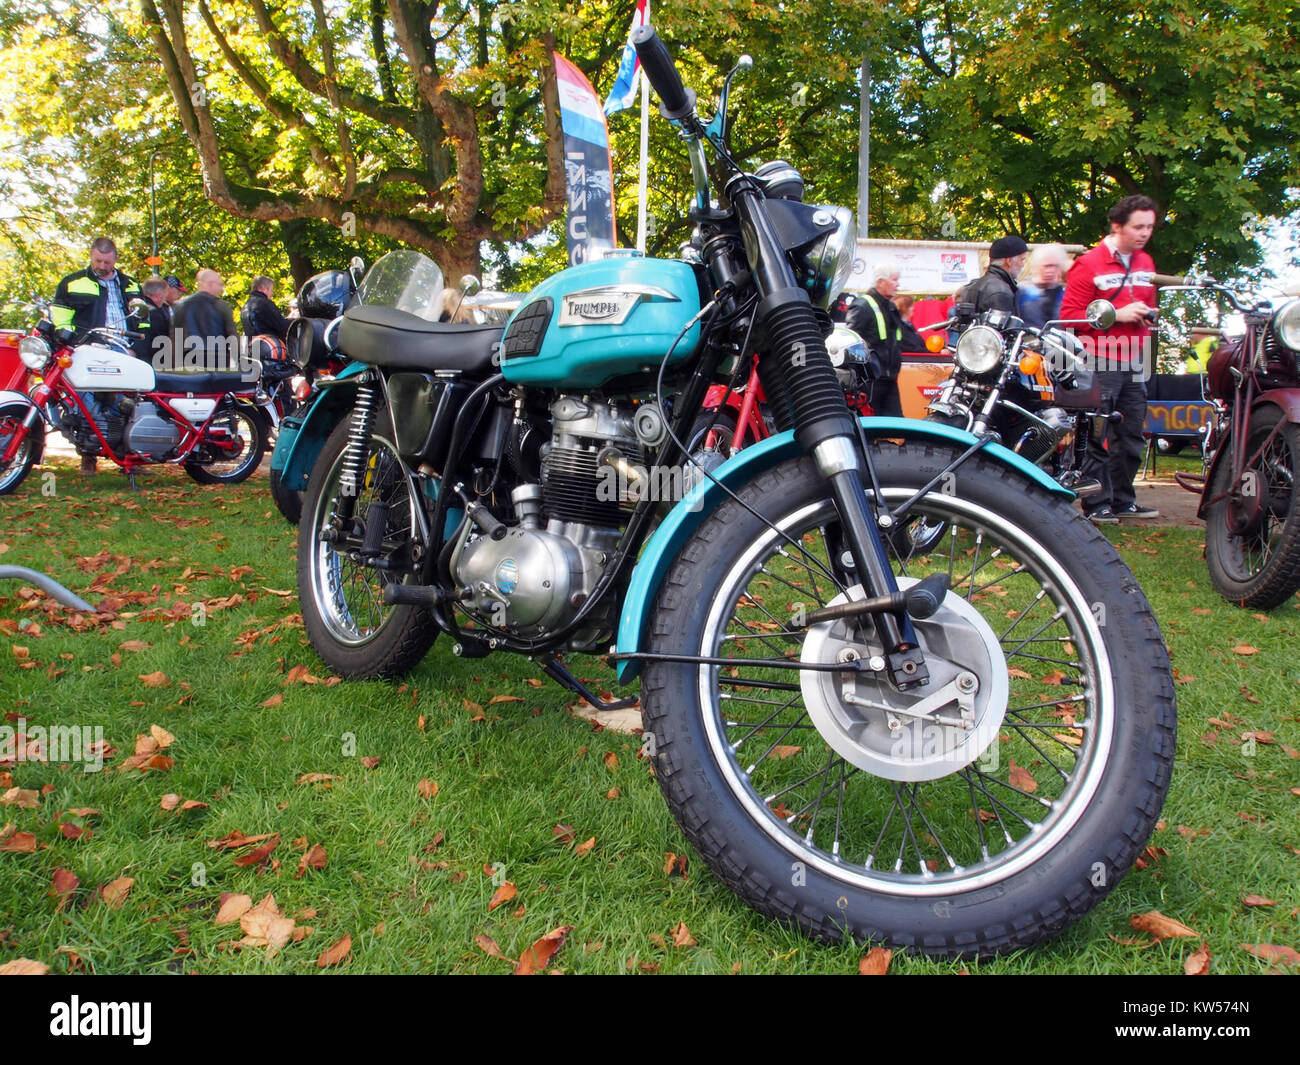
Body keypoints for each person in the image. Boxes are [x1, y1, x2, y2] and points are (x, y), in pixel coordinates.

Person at [1059, 194, 1161, 523]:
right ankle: (1097, 503)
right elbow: (1070, 316)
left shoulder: (1146, 263)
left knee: (1131, 432)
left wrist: (1147, 316)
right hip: (1100, 358)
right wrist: (1118, 314)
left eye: (1149, 226)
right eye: (1138, 227)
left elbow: (1145, 303)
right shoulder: (1088, 264)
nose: (1145, 233)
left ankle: (1123, 501)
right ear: (1118, 226)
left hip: (1136, 357)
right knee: (1097, 432)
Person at [51, 237, 143, 474]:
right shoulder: (72, 283)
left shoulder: (131, 284)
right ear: (91, 256)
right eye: (98, 260)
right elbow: (61, 320)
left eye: (107, 262)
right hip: (88, 351)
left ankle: (129, 458)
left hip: (124, 350)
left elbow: (144, 322)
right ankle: (89, 455)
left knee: (128, 403)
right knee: (86, 402)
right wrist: (73, 342)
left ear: (116, 259)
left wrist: (136, 347)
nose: (102, 266)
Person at [832, 260, 905, 418]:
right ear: (881, 282)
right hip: (870, 384)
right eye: (894, 279)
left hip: (890, 381)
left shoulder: (891, 308)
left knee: (897, 428)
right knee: (871, 431)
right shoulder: (862, 306)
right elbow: (850, 342)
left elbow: (899, 341)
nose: (897, 284)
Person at [171, 269, 240, 373]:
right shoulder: (221, 306)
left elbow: (175, 339)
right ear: (210, 284)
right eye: (219, 284)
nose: (221, 289)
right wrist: (239, 361)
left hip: (190, 360)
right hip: (218, 361)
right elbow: (233, 337)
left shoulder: (181, 305)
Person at [962, 235, 1028, 314]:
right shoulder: (1001, 293)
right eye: (1022, 260)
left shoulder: (975, 285)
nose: (1023, 264)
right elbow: (1002, 326)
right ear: (1009, 261)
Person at [1017, 243, 1071, 330]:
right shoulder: (1022, 292)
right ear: (1036, 266)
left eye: (1055, 266)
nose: (1051, 271)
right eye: (1047, 266)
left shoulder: (1065, 295)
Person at [133, 277, 172, 363]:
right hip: (152, 360)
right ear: (159, 295)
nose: (166, 298)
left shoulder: (136, 307)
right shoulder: (155, 313)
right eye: (166, 293)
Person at [241, 276, 292, 341]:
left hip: (253, 348)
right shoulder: (263, 304)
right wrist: (296, 321)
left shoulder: (245, 307)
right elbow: (281, 326)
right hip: (271, 348)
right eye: (271, 290)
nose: (272, 293)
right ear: (262, 288)